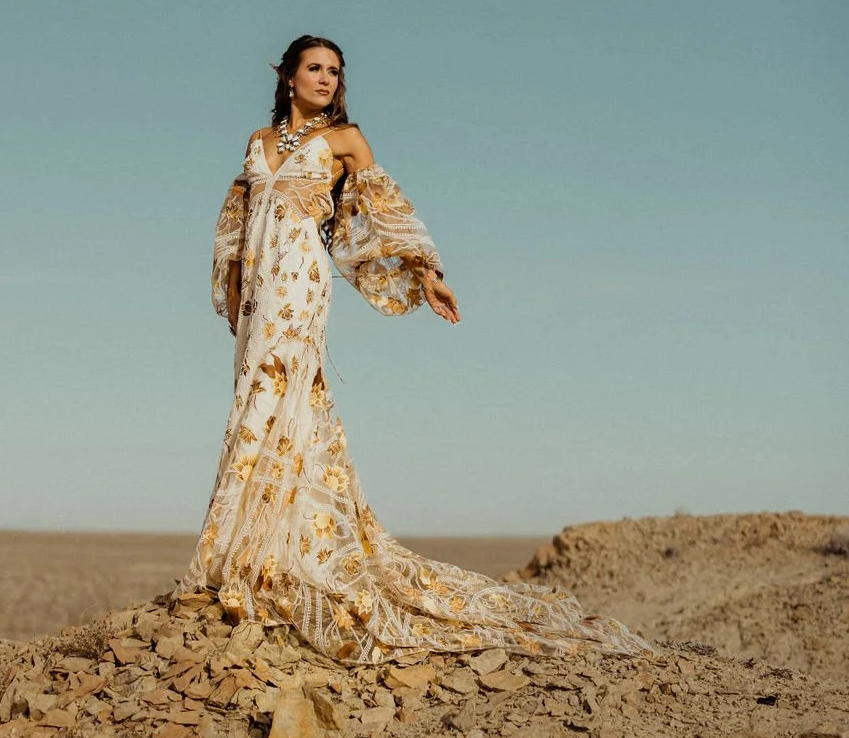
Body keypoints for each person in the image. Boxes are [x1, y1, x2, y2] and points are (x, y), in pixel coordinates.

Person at [180, 34, 657, 664]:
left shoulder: (346, 140)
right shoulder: (257, 144)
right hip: (259, 294)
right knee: (250, 397)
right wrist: (236, 288)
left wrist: (425, 271)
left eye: (334, 72)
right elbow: (238, 221)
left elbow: (382, 208)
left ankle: (259, 561)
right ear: (289, 76)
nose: (326, 79)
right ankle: (245, 551)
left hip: (301, 284)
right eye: (315, 68)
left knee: (285, 396)